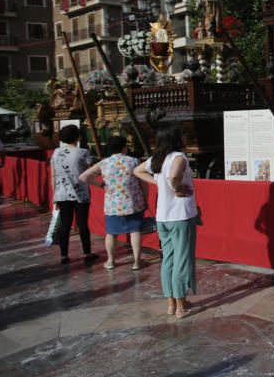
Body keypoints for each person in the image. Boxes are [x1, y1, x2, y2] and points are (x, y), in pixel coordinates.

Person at [134, 126, 199, 319]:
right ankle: (181, 304)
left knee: (168, 259)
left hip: (163, 216)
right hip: (181, 215)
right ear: (177, 138)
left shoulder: (157, 159)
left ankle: (171, 302)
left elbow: (137, 171)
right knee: (182, 259)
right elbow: (174, 176)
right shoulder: (179, 157)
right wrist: (176, 188)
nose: (186, 137)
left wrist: (158, 182)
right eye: (184, 134)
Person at [80, 134, 147, 270]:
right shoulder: (134, 162)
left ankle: (111, 261)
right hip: (133, 202)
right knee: (135, 231)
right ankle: (137, 261)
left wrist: (100, 185)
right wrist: (145, 199)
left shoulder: (104, 163)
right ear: (124, 148)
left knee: (111, 233)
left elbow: (83, 176)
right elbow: (143, 184)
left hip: (113, 204)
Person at [51, 124, 97, 264]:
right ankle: (87, 252)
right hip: (81, 192)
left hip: (61, 193)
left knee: (65, 224)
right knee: (82, 223)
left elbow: (53, 175)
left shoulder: (56, 153)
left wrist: (54, 194)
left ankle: (64, 255)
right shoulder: (83, 152)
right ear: (77, 136)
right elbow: (89, 173)